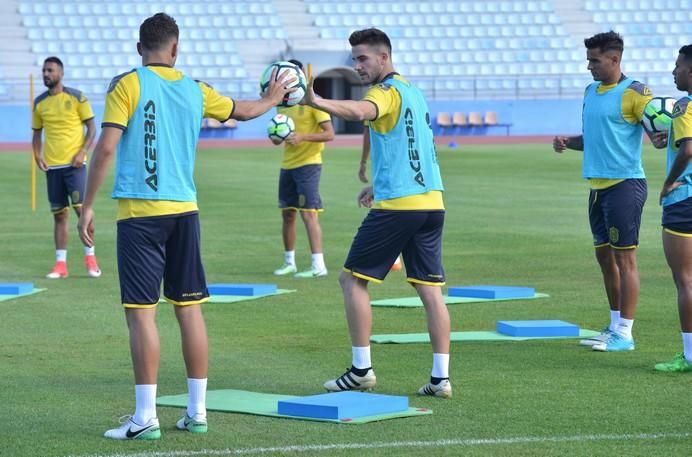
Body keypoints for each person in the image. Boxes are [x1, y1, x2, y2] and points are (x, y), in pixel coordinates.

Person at [77, 13, 294, 440]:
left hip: (141, 216)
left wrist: (86, 207)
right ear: (175, 49)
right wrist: (273, 98)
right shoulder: (195, 88)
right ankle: (197, 413)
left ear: (140, 49)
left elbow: (105, 149)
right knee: (189, 310)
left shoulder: (128, 84)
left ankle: (145, 418)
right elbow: (244, 111)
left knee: (141, 316)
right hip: (185, 212)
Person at [303, 28, 452, 398]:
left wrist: (318, 101)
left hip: (400, 208)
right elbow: (416, 146)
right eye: (354, 59)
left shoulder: (382, 93)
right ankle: (440, 379)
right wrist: (378, 185)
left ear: (384, 57)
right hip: (432, 202)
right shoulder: (413, 92)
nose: (358, 65)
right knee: (430, 290)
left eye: (363, 58)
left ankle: (360, 370)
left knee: (352, 281)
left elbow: (361, 111)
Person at [553, 31, 666, 352]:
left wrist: (659, 136)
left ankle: (626, 333)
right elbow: (592, 139)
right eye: (588, 60)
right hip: (597, 188)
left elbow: (658, 125)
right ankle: (614, 325)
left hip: (624, 186)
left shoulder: (635, 92)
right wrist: (568, 142)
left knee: (624, 259)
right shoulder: (590, 91)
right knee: (605, 258)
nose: (589, 66)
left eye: (595, 60)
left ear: (615, 59)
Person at [32, 56, 101, 279]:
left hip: (75, 166)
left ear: (61, 73)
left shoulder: (77, 98)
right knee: (59, 216)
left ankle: (91, 258)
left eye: (50, 70)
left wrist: (83, 152)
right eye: (44, 71)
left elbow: (92, 128)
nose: (46, 74)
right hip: (53, 168)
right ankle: (61, 265)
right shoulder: (39, 103)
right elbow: (36, 133)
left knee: (83, 211)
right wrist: (37, 155)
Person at [271, 59, 335, 278]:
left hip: (309, 164)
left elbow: (330, 133)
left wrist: (303, 137)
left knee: (309, 215)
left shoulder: (314, 102)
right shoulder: (282, 104)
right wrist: (277, 137)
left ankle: (319, 265)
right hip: (287, 165)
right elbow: (278, 136)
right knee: (288, 215)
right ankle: (290, 262)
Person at [655, 44, 692, 372]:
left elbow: (689, 150)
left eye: (678, 66)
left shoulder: (685, 106)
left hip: (685, 202)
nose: (673, 71)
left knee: (685, 279)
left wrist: (668, 183)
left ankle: (690, 355)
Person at [358, 125, 402, 272]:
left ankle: (392, 257)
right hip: (397, 177)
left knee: (350, 277)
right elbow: (368, 134)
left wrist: (363, 162)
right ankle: (394, 257)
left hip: (395, 175)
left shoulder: (380, 105)